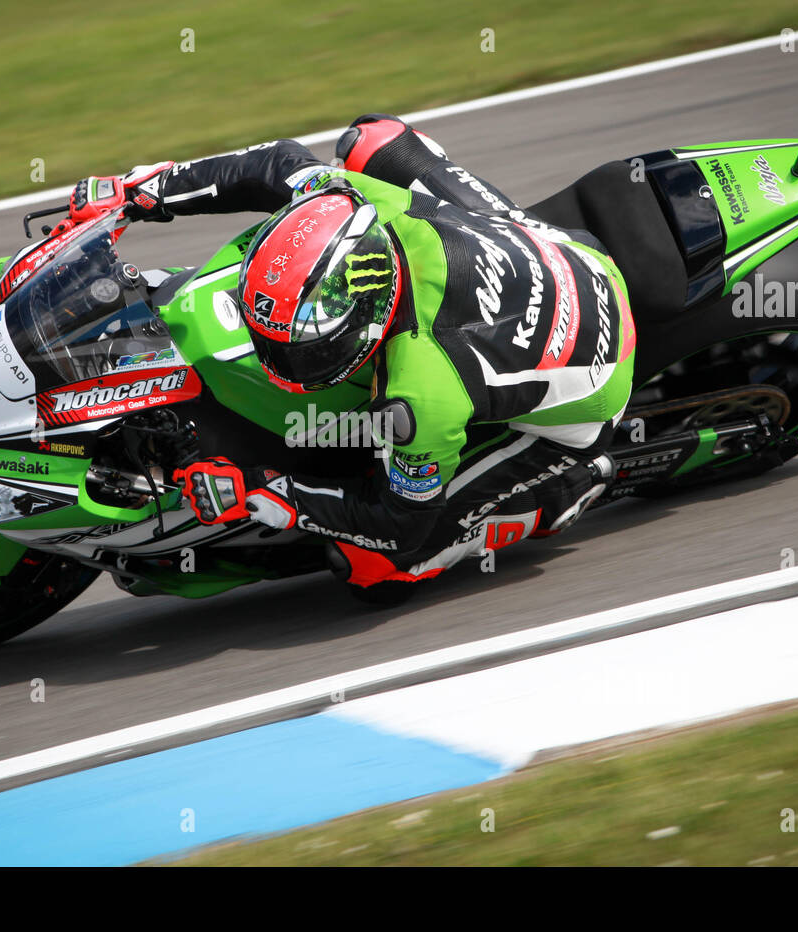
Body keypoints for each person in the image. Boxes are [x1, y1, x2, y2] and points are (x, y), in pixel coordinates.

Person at [67, 115, 634, 588]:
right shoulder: (352, 203)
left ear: (364, 325)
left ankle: (572, 485)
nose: (277, 363)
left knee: (381, 564)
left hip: (593, 380)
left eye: (298, 352)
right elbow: (273, 164)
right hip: (548, 248)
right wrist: (141, 192)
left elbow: (399, 521)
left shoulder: (424, 391)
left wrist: (266, 491)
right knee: (370, 137)